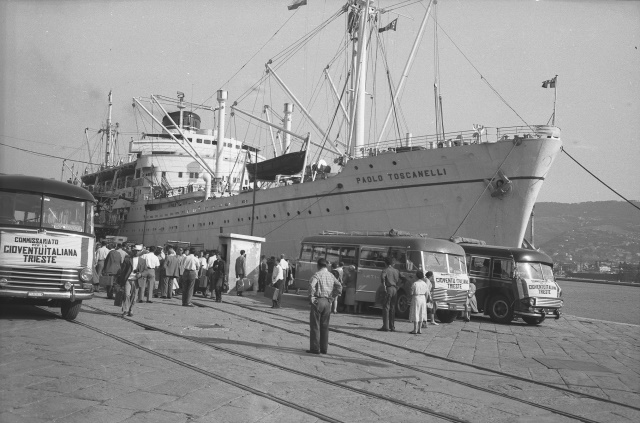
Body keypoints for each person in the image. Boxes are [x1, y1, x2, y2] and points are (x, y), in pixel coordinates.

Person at [307, 258, 342, 355]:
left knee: (315, 326)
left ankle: (315, 348)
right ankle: (324, 348)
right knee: (325, 326)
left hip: (318, 301)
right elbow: (339, 286)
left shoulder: (317, 275)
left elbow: (311, 285)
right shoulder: (331, 275)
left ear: (318, 265)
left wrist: (311, 297)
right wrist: (332, 297)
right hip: (327, 302)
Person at [118, 244, 143, 317]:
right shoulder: (127, 259)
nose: (136, 252)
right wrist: (121, 281)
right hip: (128, 279)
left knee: (134, 296)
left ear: (140, 252)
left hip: (136, 280)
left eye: (138, 251)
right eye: (135, 251)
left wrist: (141, 274)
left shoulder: (143, 260)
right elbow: (123, 271)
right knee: (127, 294)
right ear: (132, 251)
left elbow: (146, 271)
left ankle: (131, 310)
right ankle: (125, 310)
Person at [379, 257, 399, 332]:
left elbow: (382, 278)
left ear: (385, 263)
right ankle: (392, 326)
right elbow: (404, 279)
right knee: (393, 308)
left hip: (388, 289)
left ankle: (385, 326)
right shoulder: (396, 271)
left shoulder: (385, 270)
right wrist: (398, 286)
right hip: (395, 289)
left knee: (386, 307)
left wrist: (384, 286)